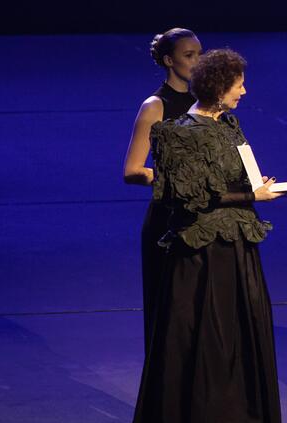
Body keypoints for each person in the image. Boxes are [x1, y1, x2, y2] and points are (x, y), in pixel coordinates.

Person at [130, 48, 284, 423]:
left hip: (237, 245)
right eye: (238, 86)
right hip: (202, 251)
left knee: (239, 334)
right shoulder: (177, 132)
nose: (245, 92)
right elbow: (190, 196)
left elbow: (239, 174)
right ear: (218, 88)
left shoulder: (231, 124)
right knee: (204, 338)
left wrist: (257, 186)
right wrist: (251, 194)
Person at [123, 27, 202, 355]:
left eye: (200, 54)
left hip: (204, 217)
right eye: (189, 56)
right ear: (169, 61)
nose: (197, 62)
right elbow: (132, 171)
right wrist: (172, 177)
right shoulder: (156, 105)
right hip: (168, 221)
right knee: (170, 315)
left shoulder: (207, 103)